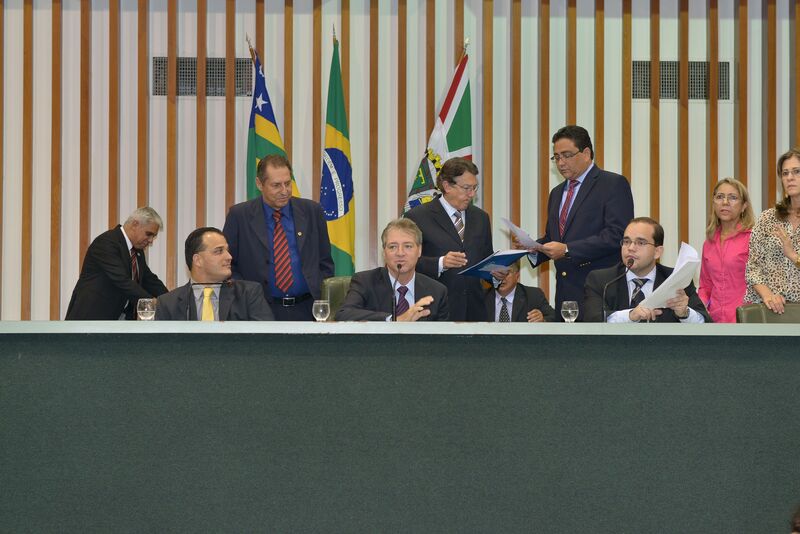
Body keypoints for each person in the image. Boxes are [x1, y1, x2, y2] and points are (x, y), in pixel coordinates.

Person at [523, 125, 634, 320]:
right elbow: (553, 238)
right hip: (566, 295)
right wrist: (534, 248)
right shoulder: (556, 193)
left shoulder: (612, 184)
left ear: (586, 153)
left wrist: (568, 250)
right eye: (556, 157)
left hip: (600, 292)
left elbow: (617, 235)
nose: (561, 163)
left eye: (566, 155)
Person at [223, 154, 334, 320]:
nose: (284, 191)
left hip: (307, 309)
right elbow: (228, 264)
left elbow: (325, 263)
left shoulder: (312, 211)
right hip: (257, 310)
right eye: (276, 185)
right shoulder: (239, 216)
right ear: (259, 184)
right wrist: (245, 297)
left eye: (287, 183)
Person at [404, 157, 493, 321]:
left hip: (474, 313)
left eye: (474, 188)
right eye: (466, 188)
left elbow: (485, 259)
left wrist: (496, 273)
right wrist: (441, 263)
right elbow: (404, 263)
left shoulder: (481, 218)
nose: (472, 194)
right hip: (434, 311)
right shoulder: (417, 217)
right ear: (447, 186)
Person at [583, 217, 711, 323]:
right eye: (626, 241)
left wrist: (685, 313)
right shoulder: (602, 280)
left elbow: (706, 323)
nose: (631, 248)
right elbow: (591, 320)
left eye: (640, 243)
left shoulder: (676, 279)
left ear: (657, 252)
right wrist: (630, 316)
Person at [65, 207, 168, 320]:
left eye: (153, 236)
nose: (151, 240)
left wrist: (170, 301)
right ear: (135, 224)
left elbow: (150, 280)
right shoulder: (106, 243)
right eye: (149, 234)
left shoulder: (136, 252)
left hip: (114, 321)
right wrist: (150, 302)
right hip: (90, 318)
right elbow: (122, 280)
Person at [337, 218, 449, 321]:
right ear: (384, 252)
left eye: (408, 246)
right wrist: (393, 320)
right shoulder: (365, 281)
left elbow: (444, 335)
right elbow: (344, 314)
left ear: (419, 250)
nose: (400, 253)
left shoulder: (437, 291)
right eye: (393, 247)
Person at [155, 227, 274, 321]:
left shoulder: (248, 294)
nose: (229, 257)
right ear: (198, 260)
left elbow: (267, 340)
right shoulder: (168, 303)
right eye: (219, 251)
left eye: (227, 250)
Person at [745, 147, 800, 314]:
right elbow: (753, 266)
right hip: (769, 310)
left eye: (796, 172)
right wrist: (768, 295)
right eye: (785, 173)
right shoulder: (768, 218)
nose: (789, 178)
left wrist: (793, 256)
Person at [697, 178, 754, 323]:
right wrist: (700, 307)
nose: (725, 202)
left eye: (733, 198)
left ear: (744, 206)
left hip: (746, 320)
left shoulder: (753, 239)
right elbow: (705, 286)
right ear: (714, 203)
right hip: (714, 321)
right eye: (720, 197)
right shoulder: (708, 243)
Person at [484, 261, 555, 322]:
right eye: (498, 273)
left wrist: (543, 320)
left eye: (506, 273)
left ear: (517, 275)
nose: (501, 278)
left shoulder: (533, 295)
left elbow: (554, 317)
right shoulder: (482, 297)